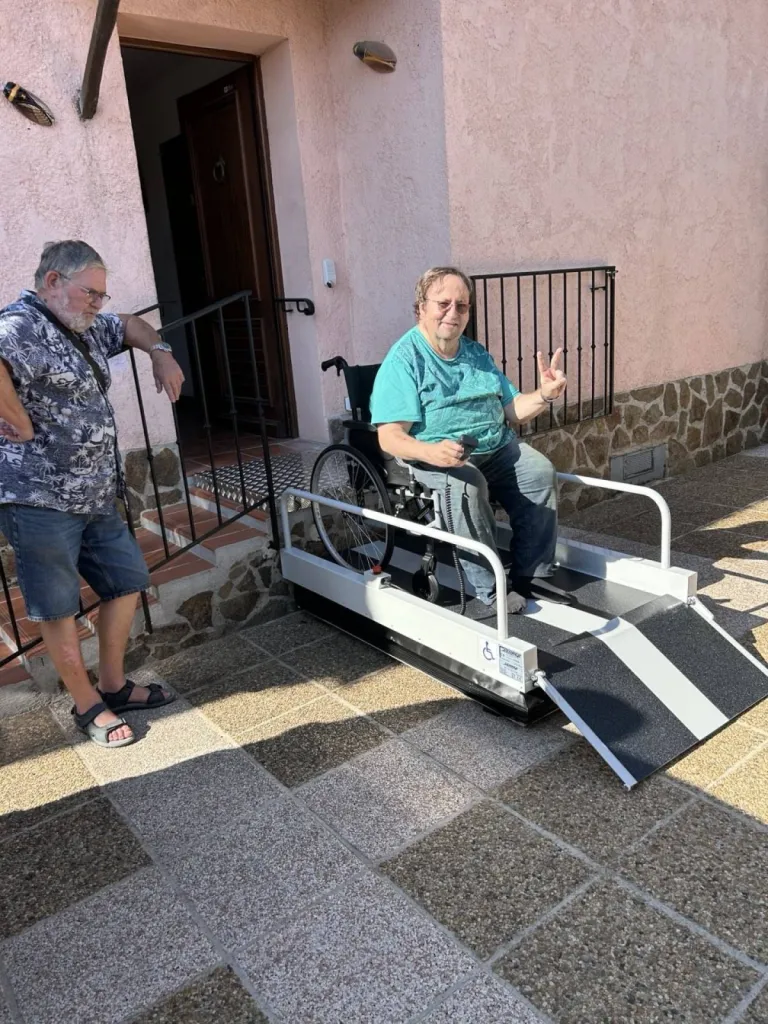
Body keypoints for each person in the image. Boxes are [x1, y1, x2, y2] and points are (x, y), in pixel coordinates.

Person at [0, 240, 186, 747]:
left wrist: (161, 353)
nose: (98, 305)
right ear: (53, 281)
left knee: (126, 582)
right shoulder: (20, 326)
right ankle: (88, 706)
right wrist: (15, 417)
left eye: (102, 295)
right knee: (57, 606)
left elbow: (130, 323)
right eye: (91, 294)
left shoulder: (81, 323)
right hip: (39, 498)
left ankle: (112, 685)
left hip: (96, 494)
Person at [369, 265, 567, 615]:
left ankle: (530, 574)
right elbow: (390, 437)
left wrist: (545, 395)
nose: (453, 313)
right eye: (443, 303)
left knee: (539, 471)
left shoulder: (476, 354)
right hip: (438, 456)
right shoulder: (403, 361)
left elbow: (513, 409)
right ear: (421, 307)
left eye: (462, 306)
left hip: (496, 446)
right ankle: (491, 589)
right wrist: (430, 451)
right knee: (469, 485)